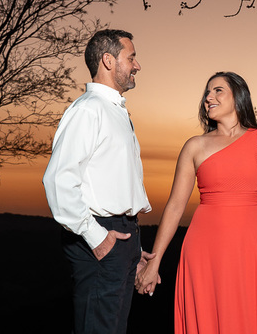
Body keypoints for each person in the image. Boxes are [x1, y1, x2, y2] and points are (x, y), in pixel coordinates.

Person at [137, 71, 257, 334]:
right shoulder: (195, 146)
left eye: (218, 90)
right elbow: (175, 207)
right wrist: (154, 262)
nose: (208, 97)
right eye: (207, 93)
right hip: (206, 252)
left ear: (238, 96)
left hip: (255, 250)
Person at [44, 29, 153, 334]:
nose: (137, 65)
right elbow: (58, 180)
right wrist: (98, 238)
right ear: (108, 60)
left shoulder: (116, 111)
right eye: (131, 57)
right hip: (101, 237)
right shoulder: (88, 109)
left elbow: (118, 187)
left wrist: (133, 252)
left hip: (122, 238)